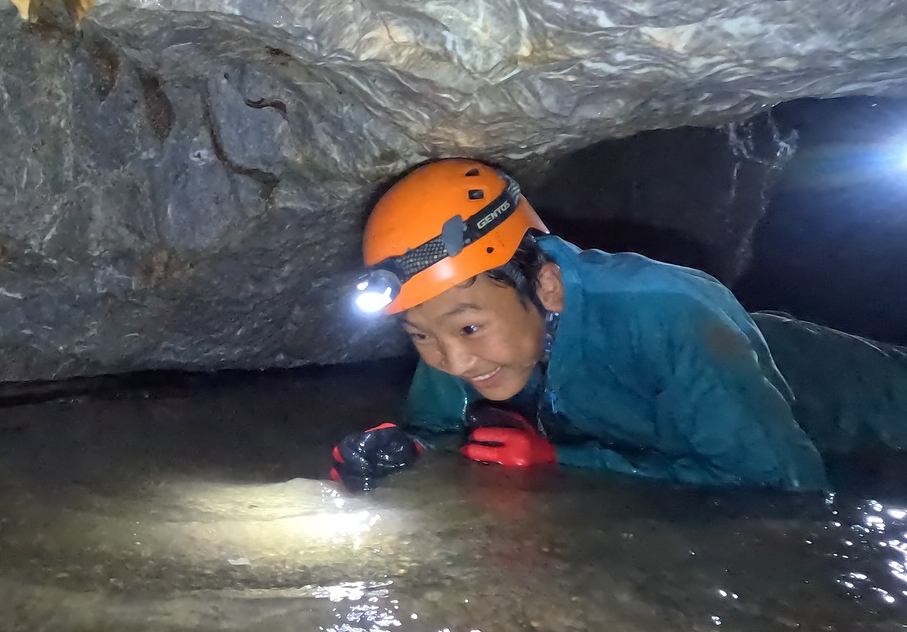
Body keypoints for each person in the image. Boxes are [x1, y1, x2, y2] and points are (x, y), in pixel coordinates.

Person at [330, 159, 907, 492]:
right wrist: (397, 448)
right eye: (420, 336)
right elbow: (433, 429)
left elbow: (787, 482)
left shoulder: (673, 315)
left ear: (547, 285)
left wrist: (563, 460)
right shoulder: (473, 332)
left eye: (468, 330)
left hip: (878, 404)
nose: (451, 363)